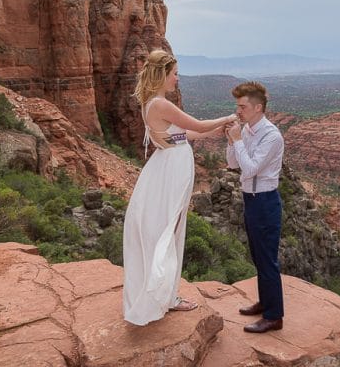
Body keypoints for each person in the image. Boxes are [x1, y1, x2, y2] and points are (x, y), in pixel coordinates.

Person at [122, 50, 236, 326]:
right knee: (170, 230)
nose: (177, 78)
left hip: (167, 167)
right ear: (163, 74)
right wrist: (226, 118)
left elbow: (184, 135)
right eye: (174, 73)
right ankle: (166, 297)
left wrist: (214, 132)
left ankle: (164, 293)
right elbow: (195, 124)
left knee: (168, 229)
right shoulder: (160, 104)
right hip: (172, 172)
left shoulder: (151, 103)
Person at [225, 81, 285, 333]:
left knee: (267, 259)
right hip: (250, 199)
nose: (238, 111)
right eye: (237, 106)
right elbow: (232, 164)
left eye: (242, 106)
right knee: (258, 256)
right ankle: (265, 302)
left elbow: (250, 169)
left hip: (265, 201)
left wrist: (238, 140)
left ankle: (274, 316)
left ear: (258, 107)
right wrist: (232, 141)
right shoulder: (248, 131)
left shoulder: (271, 135)